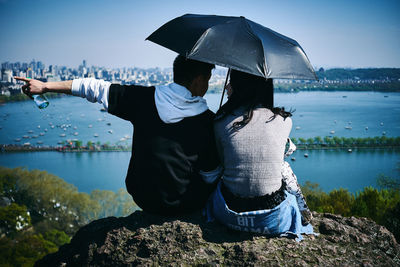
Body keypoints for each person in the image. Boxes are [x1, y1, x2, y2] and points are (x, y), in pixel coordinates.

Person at [15, 55, 221, 215]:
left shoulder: (143, 98)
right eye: (208, 80)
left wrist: (45, 86)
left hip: (142, 196)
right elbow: (210, 175)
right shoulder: (206, 121)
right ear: (199, 79)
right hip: (184, 204)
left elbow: (93, 87)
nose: (207, 86)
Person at [205, 70, 314, 241]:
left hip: (228, 215)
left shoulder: (220, 121)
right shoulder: (284, 121)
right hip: (273, 220)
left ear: (240, 86)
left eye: (232, 82)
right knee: (285, 176)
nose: (227, 86)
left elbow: (222, 163)